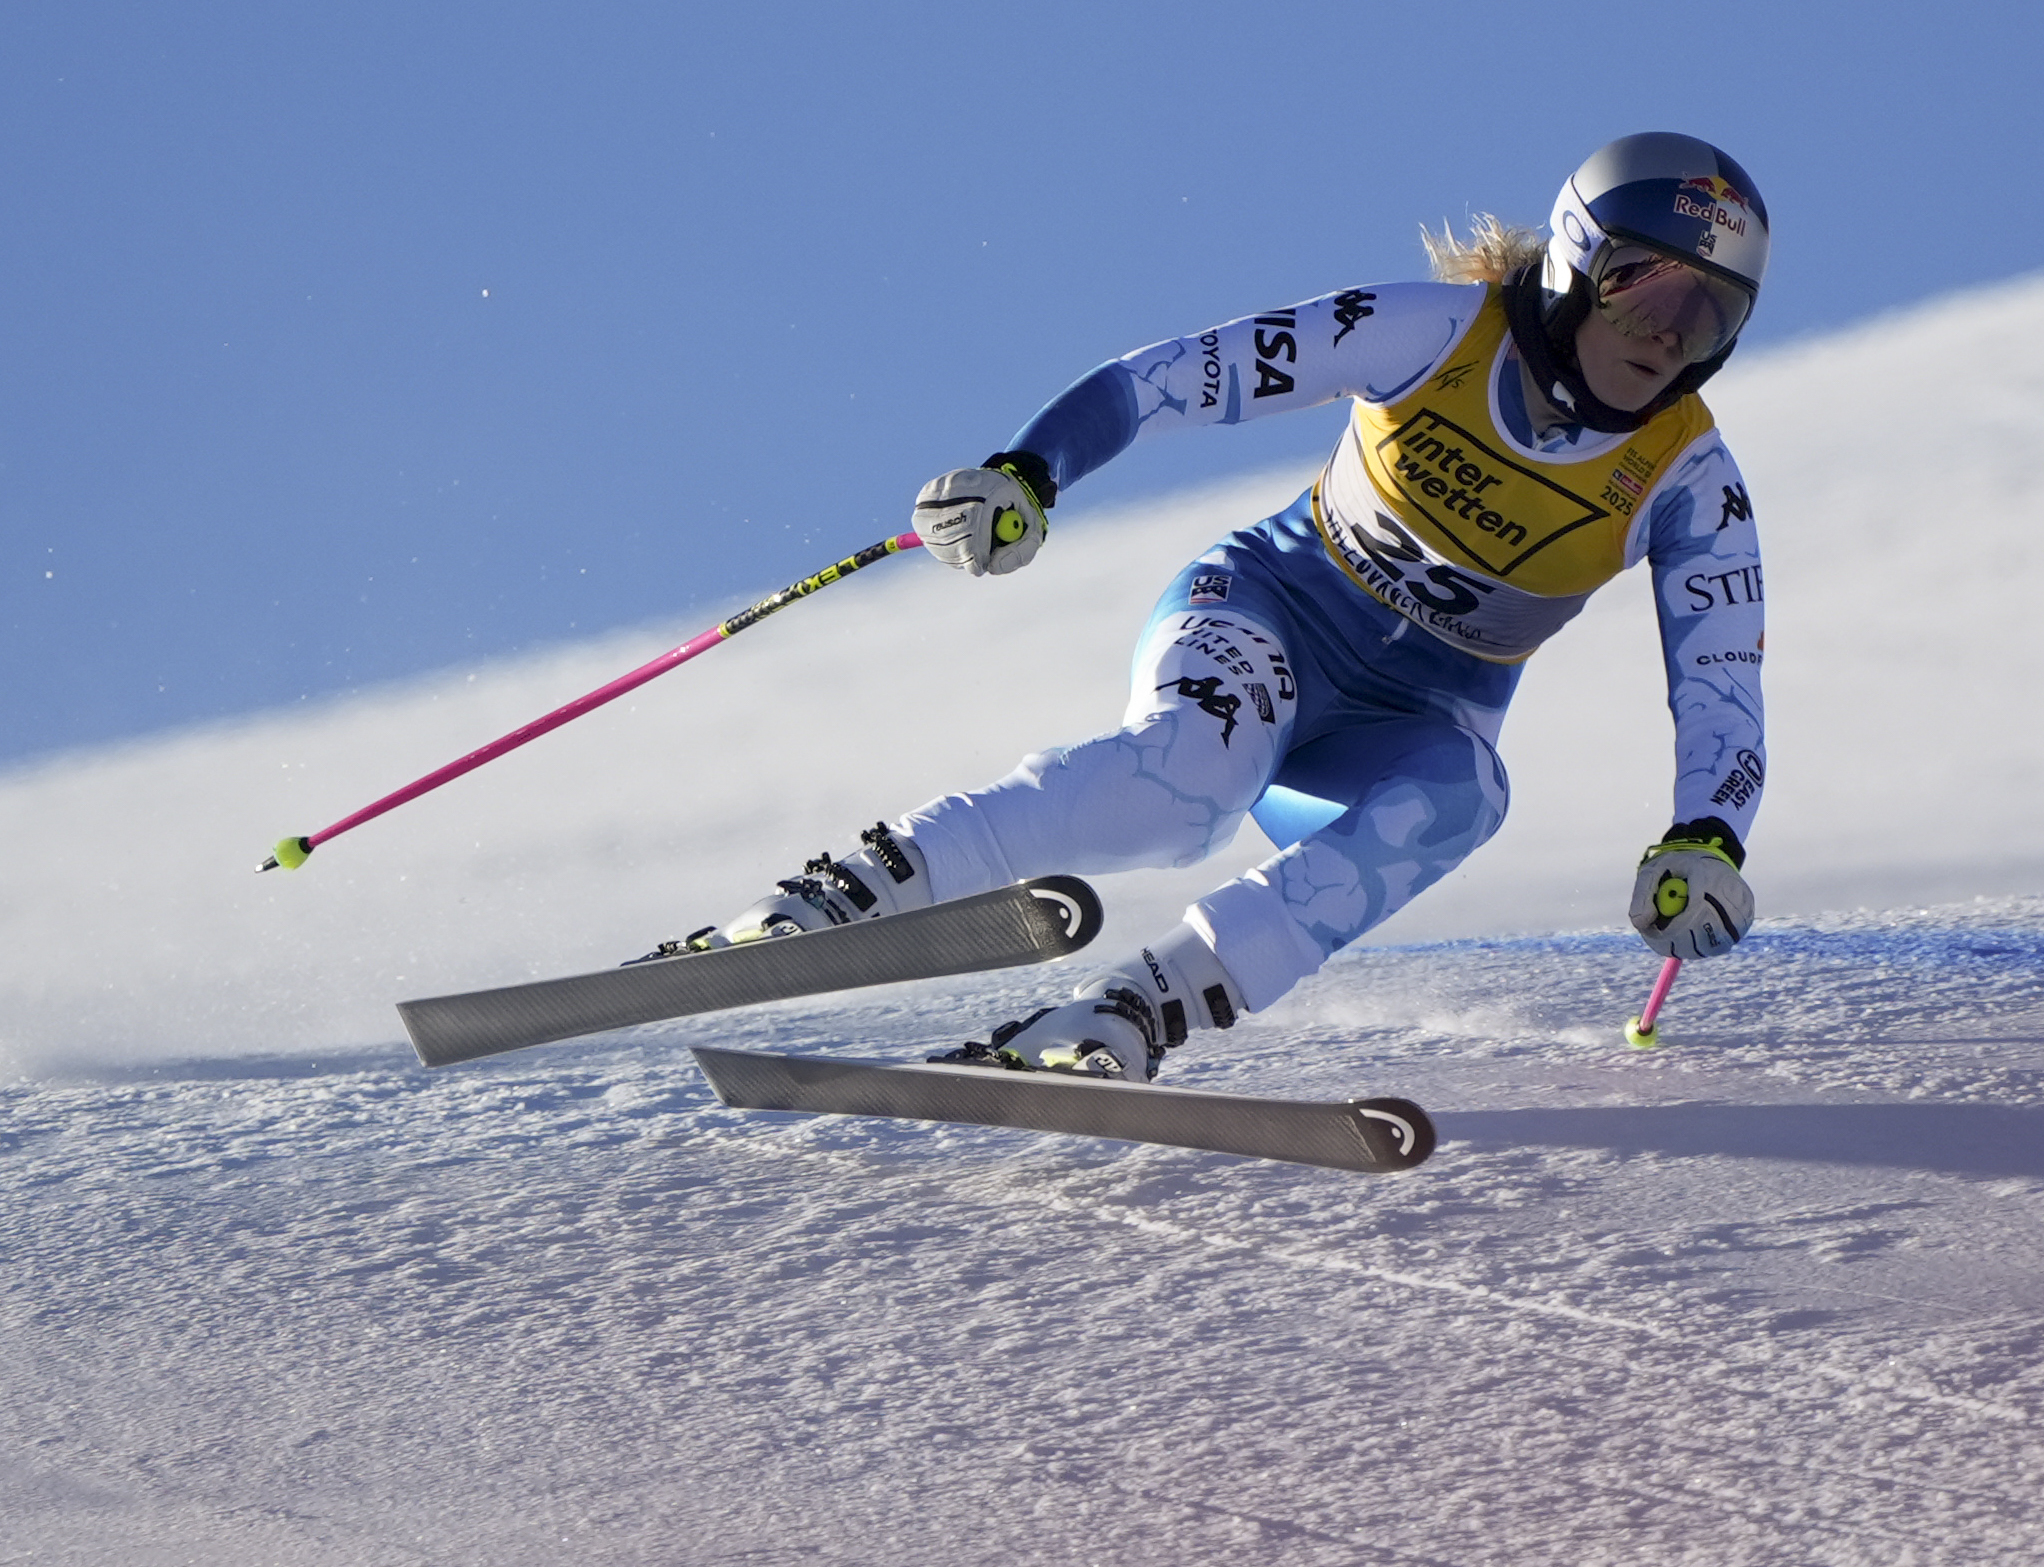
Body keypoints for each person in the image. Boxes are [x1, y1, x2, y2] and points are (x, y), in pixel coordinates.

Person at [651, 132, 1771, 1081]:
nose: (1671, 333)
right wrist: (1030, 472)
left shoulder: (1687, 479)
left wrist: (1705, 838)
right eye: (1649, 285)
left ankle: (1137, 1011)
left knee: (1467, 794)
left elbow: (1719, 678)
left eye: (1710, 315)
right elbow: (1171, 374)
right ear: (1577, 260)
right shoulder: (1436, 329)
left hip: (1406, 725)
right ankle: (843, 893)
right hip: (1267, 613)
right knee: (1184, 782)